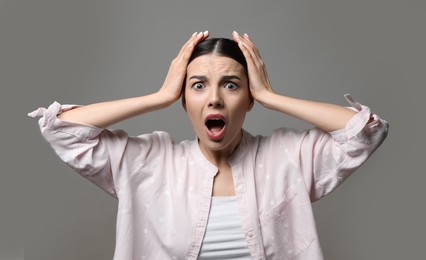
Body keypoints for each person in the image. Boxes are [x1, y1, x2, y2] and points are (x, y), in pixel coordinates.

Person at [29, 31, 388, 260]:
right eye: (198, 85)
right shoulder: (149, 162)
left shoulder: (288, 158)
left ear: (248, 99)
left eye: (231, 85)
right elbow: (61, 130)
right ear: (184, 100)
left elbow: (365, 132)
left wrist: (271, 96)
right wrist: (159, 96)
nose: (214, 99)